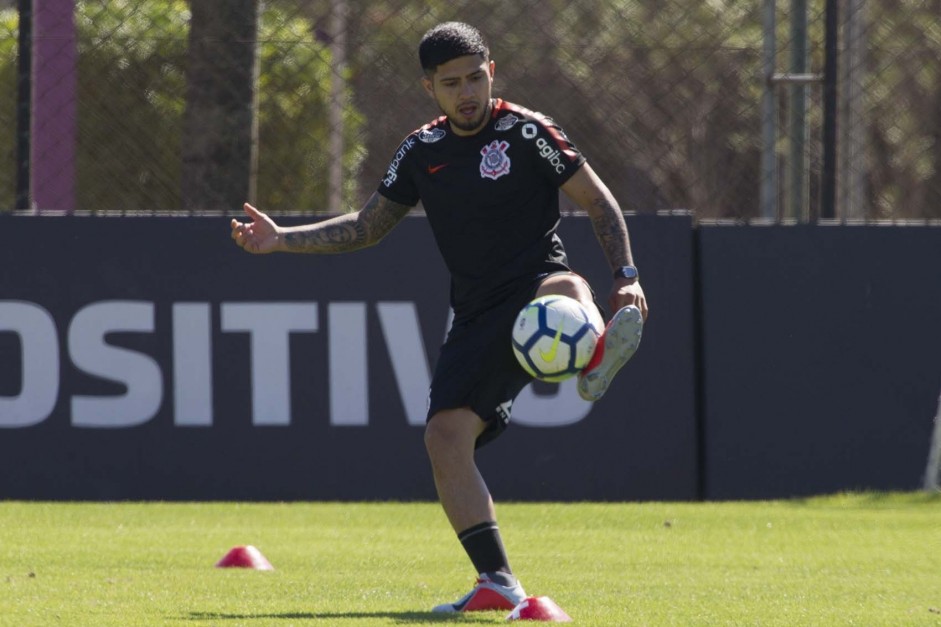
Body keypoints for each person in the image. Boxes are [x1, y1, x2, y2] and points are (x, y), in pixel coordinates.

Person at [230, 21, 649, 613]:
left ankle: (597, 343)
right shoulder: (422, 151)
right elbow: (366, 226)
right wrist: (282, 240)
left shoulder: (527, 131)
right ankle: (498, 583)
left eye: (475, 78)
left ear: (491, 72)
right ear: (430, 88)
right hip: (477, 312)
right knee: (444, 438)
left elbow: (597, 201)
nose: (466, 92)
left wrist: (626, 280)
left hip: (537, 283)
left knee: (558, 292)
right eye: (451, 83)